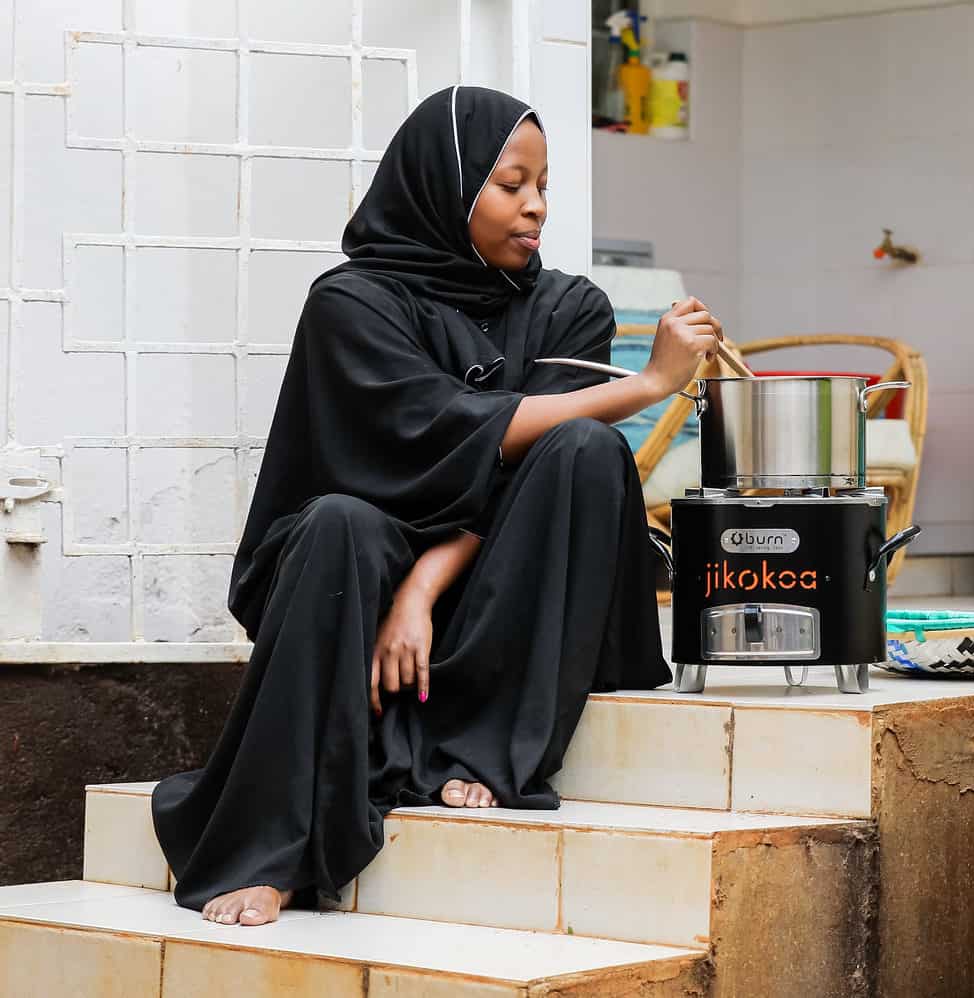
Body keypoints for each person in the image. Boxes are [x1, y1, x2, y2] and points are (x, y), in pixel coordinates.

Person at [151, 85, 723, 928]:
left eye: (543, 185)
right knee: (340, 522)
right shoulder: (353, 303)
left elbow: (514, 470)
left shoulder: (568, 307)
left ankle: (485, 745)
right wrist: (646, 386)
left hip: (497, 578)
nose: (536, 207)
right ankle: (273, 852)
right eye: (510, 184)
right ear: (442, 186)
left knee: (585, 449)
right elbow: (438, 443)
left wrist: (422, 592)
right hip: (349, 584)